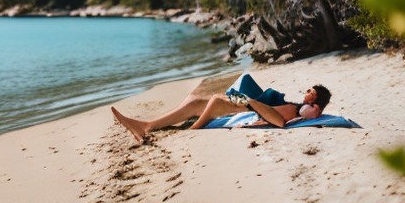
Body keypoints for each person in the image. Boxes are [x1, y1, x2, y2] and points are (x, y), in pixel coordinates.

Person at [111, 84, 332, 143]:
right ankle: (147, 125)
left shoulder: (307, 110)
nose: (306, 94)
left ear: (316, 103)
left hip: (245, 107)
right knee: (195, 101)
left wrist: (251, 102)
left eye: (310, 93)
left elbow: (279, 122)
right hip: (247, 106)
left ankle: (192, 129)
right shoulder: (299, 107)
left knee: (215, 101)